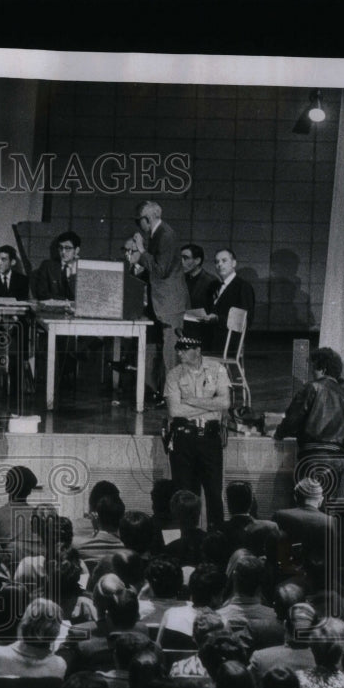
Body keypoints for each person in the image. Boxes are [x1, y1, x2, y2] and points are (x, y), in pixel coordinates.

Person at [163, 330, 231, 528]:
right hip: (184, 438)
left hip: (209, 438)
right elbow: (175, 410)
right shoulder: (174, 374)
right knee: (184, 495)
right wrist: (209, 403)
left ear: (197, 350)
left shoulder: (217, 369)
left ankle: (215, 539)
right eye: (179, 350)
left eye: (185, 350)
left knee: (214, 493)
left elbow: (225, 402)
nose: (180, 354)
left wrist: (191, 402)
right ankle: (186, 540)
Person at [126, 201, 190, 405]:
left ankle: (173, 398)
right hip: (161, 304)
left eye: (139, 222)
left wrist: (142, 251)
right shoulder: (158, 234)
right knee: (158, 351)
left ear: (148, 219)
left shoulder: (165, 235)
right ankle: (160, 393)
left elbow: (160, 270)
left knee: (170, 354)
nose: (139, 227)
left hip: (169, 304)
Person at [274, 346, 344, 497]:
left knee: (307, 505)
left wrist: (278, 433)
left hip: (313, 457)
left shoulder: (312, 388)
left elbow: (292, 420)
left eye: (314, 368)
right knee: (327, 509)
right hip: (338, 458)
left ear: (322, 369)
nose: (312, 372)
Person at [0, 244, 32, 409]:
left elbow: (23, 305)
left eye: (3, 259)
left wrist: (14, 318)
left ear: (13, 262)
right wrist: (0, 318)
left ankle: (16, 391)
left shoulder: (22, 280)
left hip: (14, 323)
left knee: (19, 330)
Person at [204, 248, 255, 353]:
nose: (220, 265)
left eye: (224, 260)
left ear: (234, 263)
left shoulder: (243, 287)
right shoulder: (213, 286)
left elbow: (245, 320)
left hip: (228, 340)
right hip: (210, 337)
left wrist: (218, 319)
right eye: (216, 262)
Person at [179, 243, 220, 311]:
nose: (181, 261)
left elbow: (215, 309)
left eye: (185, 258)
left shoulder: (211, 281)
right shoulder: (181, 279)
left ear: (197, 260)